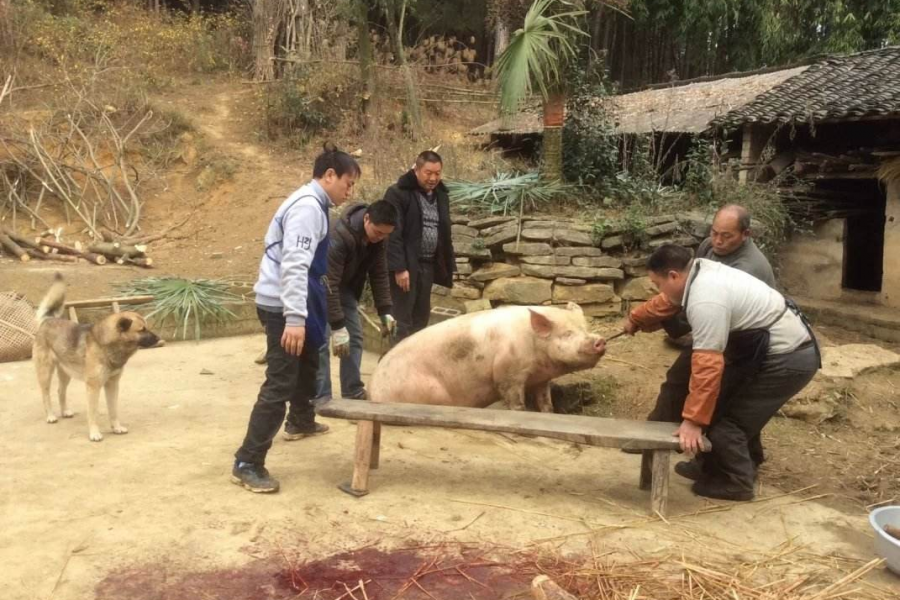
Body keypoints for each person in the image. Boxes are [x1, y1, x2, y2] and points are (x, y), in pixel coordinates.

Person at [622, 244, 820, 501]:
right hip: (758, 345)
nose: (658, 290)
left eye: (657, 283)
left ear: (673, 275)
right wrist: (637, 318)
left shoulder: (706, 300)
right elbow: (667, 300)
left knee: (729, 421)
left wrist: (693, 421)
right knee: (698, 393)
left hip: (787, 359)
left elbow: (707, 366)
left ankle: (736, 481)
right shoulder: (697, 272)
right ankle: (709, 464)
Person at [232, 145, 360, 494]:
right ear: (329, 175)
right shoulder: (307, 208)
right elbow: (294, 265)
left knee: (307, 363)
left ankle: (301, 420)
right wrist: (294, 319)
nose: (350, 192)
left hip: (293, 301)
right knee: (280, 382)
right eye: (348, 183)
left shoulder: (314, 204)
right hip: (281, 305)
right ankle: (248, 461)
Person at [624, 205, 776, 472]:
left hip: (746, 340)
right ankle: (656, 435)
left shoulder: (749, 267)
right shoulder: (709, 247)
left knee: (716, 394)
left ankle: (710, 461)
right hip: (719, 329)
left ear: (746, 234)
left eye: (726, 236)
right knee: (684, 383)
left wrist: (694, 419)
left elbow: (700, 308)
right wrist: (641, 317)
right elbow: (681, 289)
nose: (717, 241)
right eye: (714, 232)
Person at [314, 200, 398, 402]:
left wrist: (385, 310)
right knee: (322, 341)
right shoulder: (339, 235)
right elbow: (329, 283)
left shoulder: (379, 239)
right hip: (319, 287)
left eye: (387, 234)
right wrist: (337, 325)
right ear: (367, 219)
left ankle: (352, 391)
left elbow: (379, 274)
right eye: (378, 232)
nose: (381, 238)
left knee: (355, 338)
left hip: (345, 288)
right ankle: (320, 395)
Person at [383, 150, 455, 341]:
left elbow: (444, 230)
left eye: (437, 173)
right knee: (401, 318)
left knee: (421, 319)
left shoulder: (441, 194)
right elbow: (393, 232)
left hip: (428, 265)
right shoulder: (398, 193)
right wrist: (399, 268)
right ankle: (395, 364)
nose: (433, 178)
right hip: (407, 265)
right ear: (416, 170)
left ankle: (414, 365)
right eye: (428, 173)